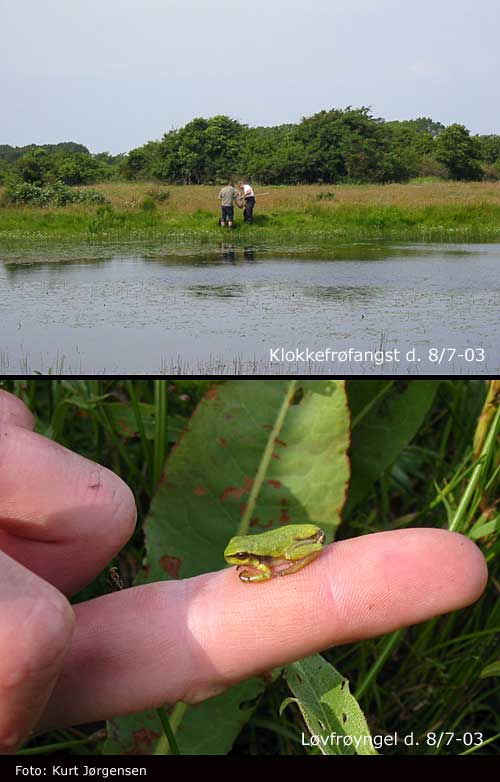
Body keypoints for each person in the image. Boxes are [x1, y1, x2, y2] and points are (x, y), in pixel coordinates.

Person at [0, 388, 488, 753]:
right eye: (236, 558)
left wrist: (266, 570)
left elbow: (260, 569)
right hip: (290, 539)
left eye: (237, 559)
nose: (234, 563)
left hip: (292, 549)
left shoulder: (252, 560)